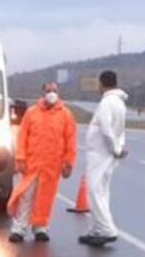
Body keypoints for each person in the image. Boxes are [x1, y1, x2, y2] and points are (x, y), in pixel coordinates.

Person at [7, 82, 77, 243]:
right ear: (42, 93)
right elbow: (22, 137)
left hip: (52, 166)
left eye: (54, 91)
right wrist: (20, 158)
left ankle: (40, 227)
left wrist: (68, 163)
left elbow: (70, 141)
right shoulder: (32, 113)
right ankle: (19, 228)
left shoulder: (66, 115)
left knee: (45, 197)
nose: (51, 93)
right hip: (31, 164)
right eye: (48, 91)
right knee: (26, 196)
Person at [79, 70, 128, 247]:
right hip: (107, 153)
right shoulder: (119, 103)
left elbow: (107, 130)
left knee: (94, 190)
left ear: (102, 83)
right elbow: (120, 129)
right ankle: (97, 228)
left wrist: (115, 148)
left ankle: (107, 229)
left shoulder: (108, 102)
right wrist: (119, 148)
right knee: (101, 191)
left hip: (101, 153)